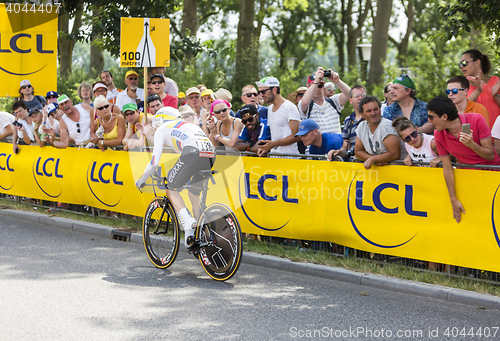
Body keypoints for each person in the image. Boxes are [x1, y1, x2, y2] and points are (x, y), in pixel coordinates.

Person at [135, 107, 216, 248]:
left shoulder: (163, 128)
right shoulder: (186, 125)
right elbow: (181, 149)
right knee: (193, 194)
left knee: (171, 189)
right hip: (210, 154)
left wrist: (141, 180)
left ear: (159, 120)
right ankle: (198, 233)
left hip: (192, 153)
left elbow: (154, 163)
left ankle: (189, 222)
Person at [428, 95, 500, 223]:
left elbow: (491, 155)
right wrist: (453, 199)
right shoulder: (438, 134)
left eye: (431, 117)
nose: (429, 121)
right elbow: (448, 169)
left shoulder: (477, 119)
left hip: (492, 177)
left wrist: (472, 145)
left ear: (444, 117)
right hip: (469, 181)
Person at [255, 76, 301, 156]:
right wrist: (267, 147)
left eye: (263, 92)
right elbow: (275, 136)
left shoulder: (289, 107)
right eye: (259, 93)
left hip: (290, 158)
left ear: (274, 90)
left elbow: (298, 136)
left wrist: (274, 144)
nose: (261, 95)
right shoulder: (269, 109)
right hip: (275, 157)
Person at [354, 96, 403, 169]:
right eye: (369, 111)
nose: (373, 113)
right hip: (378, 172)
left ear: (380, 109)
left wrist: (373, 159)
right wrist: (374, 160)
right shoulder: (362, 126)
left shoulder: (386, 126)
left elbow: (395, 154)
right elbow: (358, 151)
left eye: (375, 109)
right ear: (362, 115)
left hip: (398, 170)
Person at [298, 67, 350, 134]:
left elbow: (350, 94)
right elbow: (304, 103)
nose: (317, 89)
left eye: (320, 85)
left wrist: (337, 81)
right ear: (308, 87)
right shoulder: (306, 105)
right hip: (316, 144)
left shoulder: (333, 101)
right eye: (314, 85)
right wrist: (316, 81)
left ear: (323, 87)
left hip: (336, 144)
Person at [460, 49, 500, 128]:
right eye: (460, 64)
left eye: (464, 63)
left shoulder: (496, 81)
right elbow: (462, 110)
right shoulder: (462, 87)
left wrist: (495, 95)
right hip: (476, 138)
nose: (461, 66)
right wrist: (478, 90)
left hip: (497, 136)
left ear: (477, 62)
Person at [329, 85, 366, 160]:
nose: (360, 98)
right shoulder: (348, 121)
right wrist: (337, 152)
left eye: (362, 95)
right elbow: (345, 148)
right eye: (357, 96)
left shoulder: (372, 117)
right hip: (354, 165)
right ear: (350, 100)